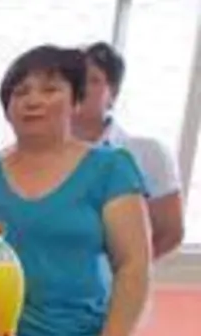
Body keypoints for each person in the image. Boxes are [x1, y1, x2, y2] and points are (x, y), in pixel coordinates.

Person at [0, 45, 151, 336]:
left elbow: (133, 266)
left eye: (50, 89)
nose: (32, 100)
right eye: (20, 92)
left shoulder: (110, 167)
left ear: (76, 100)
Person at [74, 42, 185, 258]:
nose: (80, 88)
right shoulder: (37, 154)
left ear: (112, 92)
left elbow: (170, 233)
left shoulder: (148, 153)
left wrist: (124, 272)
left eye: (93, 80)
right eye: (73, 79)